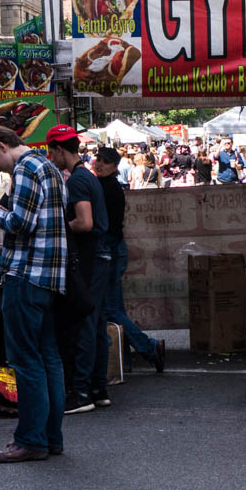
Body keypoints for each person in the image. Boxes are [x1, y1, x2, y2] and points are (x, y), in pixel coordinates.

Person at [0, 126, 67, 463]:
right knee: (48, 359)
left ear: (2, 146)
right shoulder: (50, 168)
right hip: (50, 277)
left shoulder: (27, 168)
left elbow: (21, 222)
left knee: (26, 361)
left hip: (26, 274)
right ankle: (50, 437)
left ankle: (30, 439)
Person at [46, 127, 108, 414]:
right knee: (95, 324)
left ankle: (82, 392)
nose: (50, 157)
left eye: (51, 151)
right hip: (99, 257)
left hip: (90, 258)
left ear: (61, 150)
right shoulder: (87, 177)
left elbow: (84, 222)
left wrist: (56, 228)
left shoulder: (80, 181)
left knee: (85, 323)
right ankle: (98, 388)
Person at [92, 147, 167, 373]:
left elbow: (107, 227)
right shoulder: (105, 185)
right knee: (116, 308)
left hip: (111, 251)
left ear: (115, 167)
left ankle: (149, 347)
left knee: (110, 310)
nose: (99, 164)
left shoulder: (108, 188)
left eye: (105, 162)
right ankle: (125, 357)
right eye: (98, 160)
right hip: (113, 249)